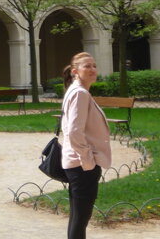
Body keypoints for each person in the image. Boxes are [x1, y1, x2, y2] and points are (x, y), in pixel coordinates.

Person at [61, 52, 112, 239]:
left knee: (78, 216)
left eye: (94, 65)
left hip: (78, 163)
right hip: (82, 165)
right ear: (75, 71)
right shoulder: (80, 93)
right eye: (87, 66)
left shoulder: (77, 91)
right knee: (80, 218)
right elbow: (75, 131)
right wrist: (88, 160)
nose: (92, 70)